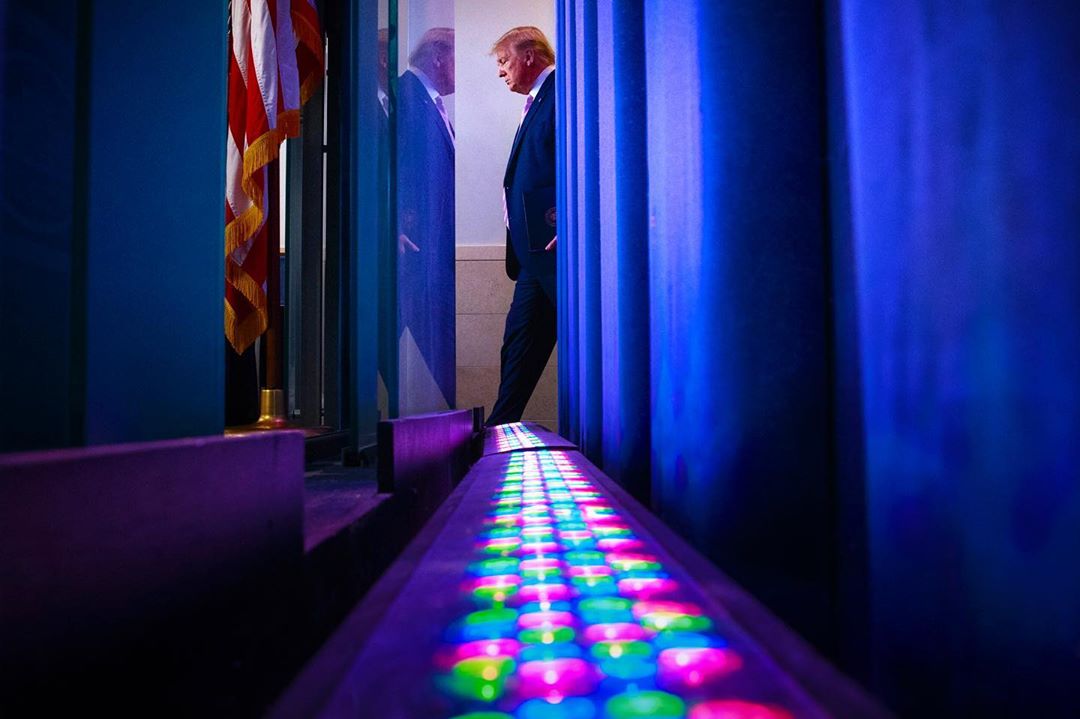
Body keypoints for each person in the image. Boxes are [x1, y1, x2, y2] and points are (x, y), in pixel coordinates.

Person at [486, 27, 557, 427]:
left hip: (558, 253)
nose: (500, 72)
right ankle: (499, 429)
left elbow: (583, 161)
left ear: (529, 56)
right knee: (519, 345)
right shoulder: (539, 101)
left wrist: (576, 223)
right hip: (534, 255)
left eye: (503, 61)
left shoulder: (562, 93)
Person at [396, 27, 457, 413]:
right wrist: (395, 224)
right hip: (416, 243)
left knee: (431, 334)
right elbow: (392, 161)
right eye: (456, 59)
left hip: (430, 244)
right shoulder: (407, 96)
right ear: (438, 57)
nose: (459, 70)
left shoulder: (427, 100)